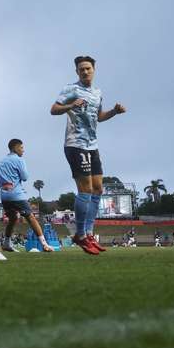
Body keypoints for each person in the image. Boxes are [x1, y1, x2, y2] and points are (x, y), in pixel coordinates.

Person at [51, 55, 126, 256]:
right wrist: (71, 105)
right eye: (81, 69)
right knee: (86, 190)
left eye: (88, 68)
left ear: (94, 70)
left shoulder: (97, 93)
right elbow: (54, 109)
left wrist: (114, 112)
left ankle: (89, 233)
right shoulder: (70, 89)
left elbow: (99, 117)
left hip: (93, 146)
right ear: (77, 72)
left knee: (98, 189)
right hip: (75, 144)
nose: (85, 71)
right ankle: (80, 234)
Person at [0, 139, 54, 253]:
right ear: (15, 148)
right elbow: (25, 177)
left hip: (4, 196)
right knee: (31, 218)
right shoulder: (19, 160)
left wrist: (4, 187)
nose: (23, 150)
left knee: (13, 218)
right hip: (17, 195)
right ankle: (44, 244)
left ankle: (6, 243)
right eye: (21, 147)